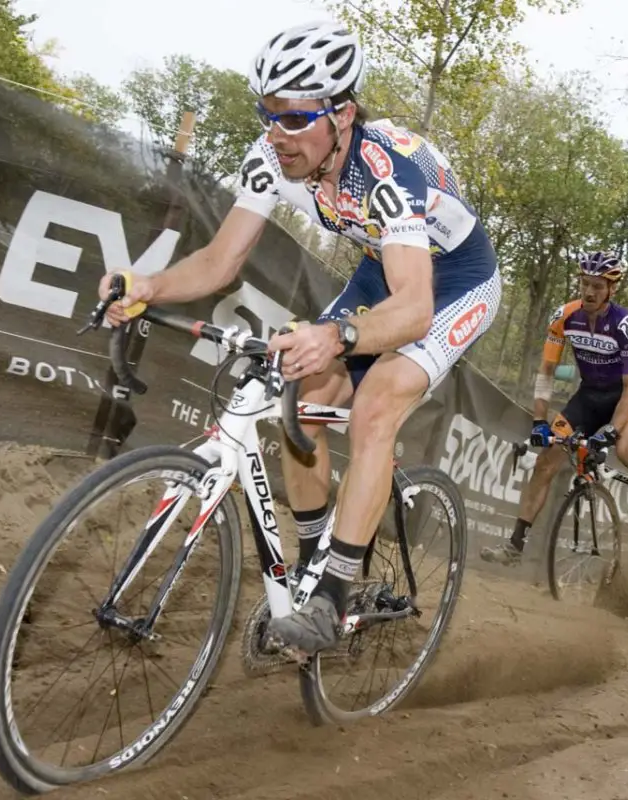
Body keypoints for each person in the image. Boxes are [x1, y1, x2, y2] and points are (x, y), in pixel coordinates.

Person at [97, 21, 502, 658]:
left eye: (292, 119)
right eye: (267, 114)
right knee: (298, 397)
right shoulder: (271, 160)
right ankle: (316, 569)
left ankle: (334, 599)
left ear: (341, 115)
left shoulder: (387, 170)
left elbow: (416, 308)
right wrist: (144, 284)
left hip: (453, 280)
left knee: (374, 408)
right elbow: (218, 263)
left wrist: (339, 334)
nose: (273, 135)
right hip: (385, 264)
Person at [481, 251, 628, 566]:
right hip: (587, 397)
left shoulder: (623, 325)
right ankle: (515, 546)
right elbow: (546, 372)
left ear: (612, 289)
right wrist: (540, 420)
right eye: (585, 283)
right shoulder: (565, 317)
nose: (589, 292)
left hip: (622, 399)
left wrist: (612, 430)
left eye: (597, 286)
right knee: (545, 463)